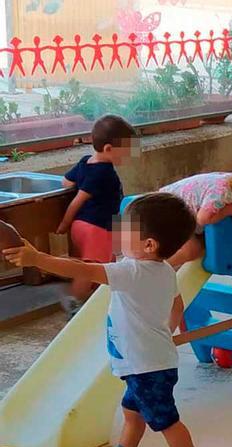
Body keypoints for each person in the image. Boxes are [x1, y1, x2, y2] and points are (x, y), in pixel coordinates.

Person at [3, 193, 216, 447]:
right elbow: (176, 305)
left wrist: (37, 259)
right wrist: (164, 332)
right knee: (132, 411)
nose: (118, 234)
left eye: (126, 230)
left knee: (166, 421)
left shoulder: (131, 272)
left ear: (149, 245)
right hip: (152, 362)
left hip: (147, 367)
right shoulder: (165, 270)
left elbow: (82, 270)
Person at [54, 115, 138, 314]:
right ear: (109, 149)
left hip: (81, 226)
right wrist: (63, 224)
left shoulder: (85, 162)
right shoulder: (104, 172)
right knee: (91, 268)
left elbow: (66, 182)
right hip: (97, 227)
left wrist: (69, 224)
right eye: (125, 153)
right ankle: (74, 301)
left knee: (95, 263)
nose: (127, 157)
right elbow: (78, 200)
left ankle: (95, 298)